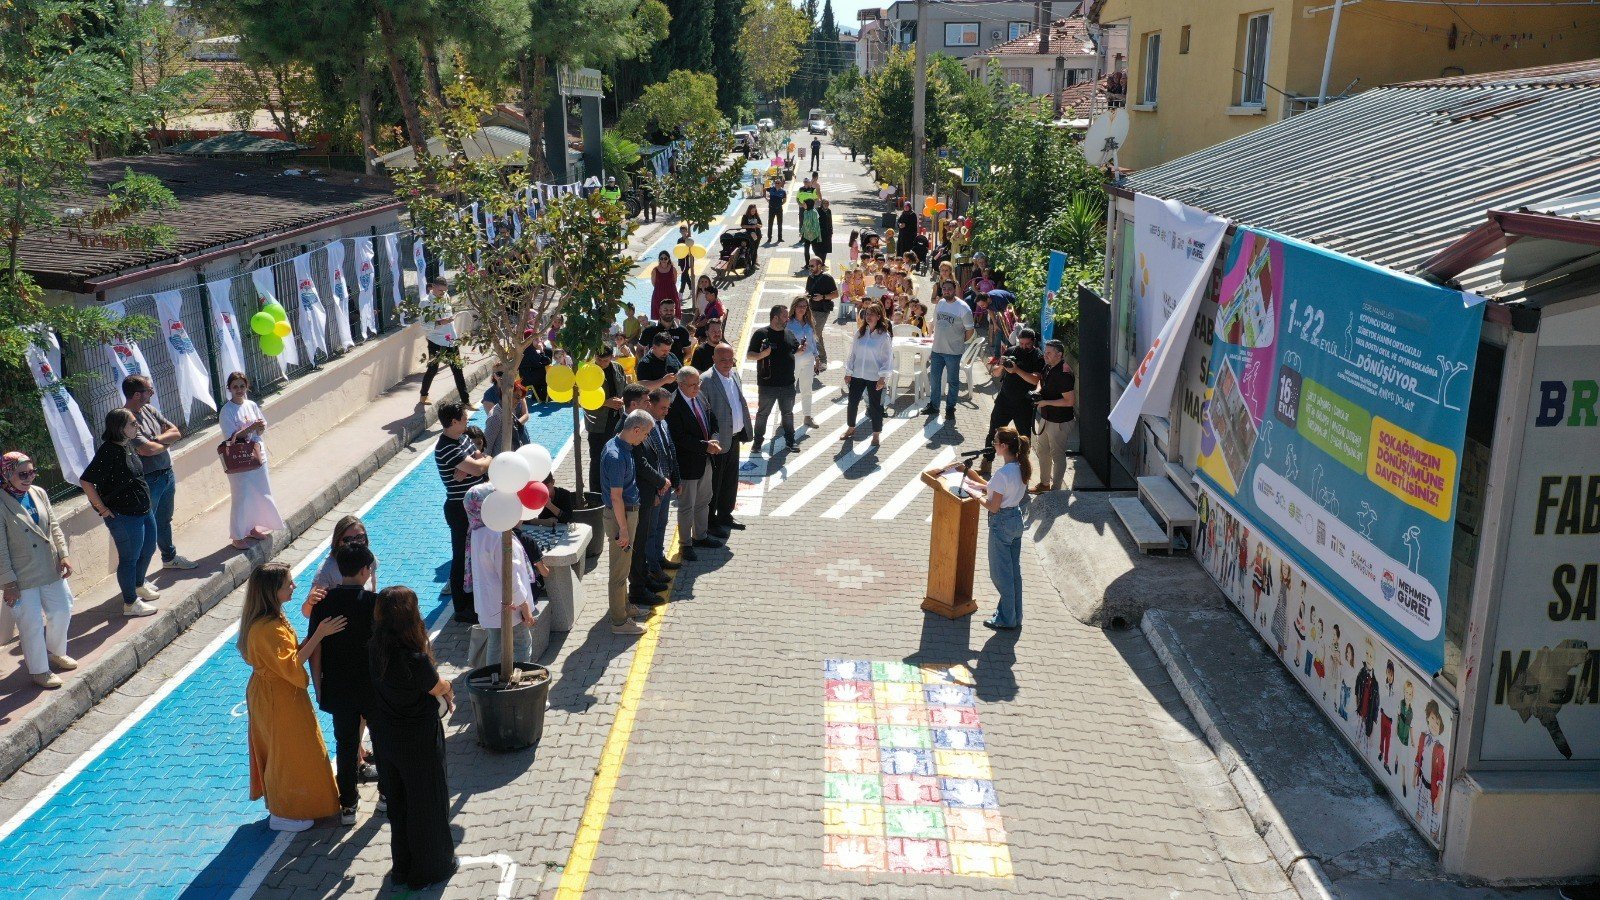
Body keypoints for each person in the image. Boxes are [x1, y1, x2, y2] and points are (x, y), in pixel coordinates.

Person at [240, 561, 343, 832]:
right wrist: (320, 633)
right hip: (277, 697)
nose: (294, 586)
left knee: (297, 750)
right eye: (289, 584)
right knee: (285, 754)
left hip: (280, 693)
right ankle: (284, 811)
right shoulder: (267, 629)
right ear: (273, 591)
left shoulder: (270, 619)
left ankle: (298, 805)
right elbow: (291, 665)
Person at [367, 586, 457, 889]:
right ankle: (431, 867)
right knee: (427, 803)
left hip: (387, 739)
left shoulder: (373, 650)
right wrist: (447, 688)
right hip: (418, 740)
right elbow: (436, 687)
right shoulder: (414, 659)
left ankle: (402, 867)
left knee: (400, 804)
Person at [306, 543, 378, 824]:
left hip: (338, 687)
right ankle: (386, 796)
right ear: (364, 571)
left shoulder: (323, 603)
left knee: (345, 745)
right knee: (381, 740)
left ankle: (348, 804)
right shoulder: (375, 603)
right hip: (372, 686)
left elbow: (315, 650)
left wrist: (319, 687)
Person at [1, 452, 76, 689]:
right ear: (6, 473)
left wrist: (63, 554)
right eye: (22, 474)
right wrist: (8, 582)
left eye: (32, 472)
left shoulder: (39, 492)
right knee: (31, 623)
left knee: (63, 608)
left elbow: (53, 525)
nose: (29, 478)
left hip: (49, 565)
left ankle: (55, 652)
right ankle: (39, 670)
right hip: (21, 576)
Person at [80, 408, 159, 617]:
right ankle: (130, 603)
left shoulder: (128, 445)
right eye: (133, 423)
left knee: (149, 547)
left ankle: (138, 585)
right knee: (129, 558)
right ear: (119, 428)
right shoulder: (108, 451)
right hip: (124, 516)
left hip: (143, 509)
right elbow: (86, 481)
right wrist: (102, 509)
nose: (138, 426)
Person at [462, 483, 543, 667]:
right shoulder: (498, 535)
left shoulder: (476, 531)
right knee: (521, 643)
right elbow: (510, 575)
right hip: (509, 605)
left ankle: (495, 682)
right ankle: (519, 687)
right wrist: (524, 605)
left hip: (490, 605)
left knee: (496, 645)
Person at [121, 375, 196, 570]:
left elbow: (176, 432)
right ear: (137, 395)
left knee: (164, 520)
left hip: (166, 473)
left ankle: (169, 558)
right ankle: (138, 576)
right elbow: (146, 450)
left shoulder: (149, 410)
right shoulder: (125, 419)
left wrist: (155, 440)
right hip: (148, 479)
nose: (152, 393)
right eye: (149, 390)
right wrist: (163, 443)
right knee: (146, 527)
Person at [959, 426, 1030, 630]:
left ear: (1004, 446)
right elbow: (998, 490)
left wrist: (975, 494)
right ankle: (1015, 616)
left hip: (1002, 524)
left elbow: (993, 506)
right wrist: (980, 483)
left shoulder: (1002, 473)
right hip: (1015, 519)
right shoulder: (1020, 467)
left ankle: (1007, 619)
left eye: (995, 442)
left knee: (1000, 575)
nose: (993, 445)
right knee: (1014, 573)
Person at [434, 401, 489, 624]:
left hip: (476, 504)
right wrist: (478, 465)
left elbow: (483, 457)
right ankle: (462, 608)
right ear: (454, 421)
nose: (468, 421)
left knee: (475, 554)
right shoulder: (447, 448)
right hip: (460, 509)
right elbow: (478, 466)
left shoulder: (463, 438)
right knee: (461, 558)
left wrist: (480, 463)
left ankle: (475, 600)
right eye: (464, 418)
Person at [219, 372, 287, 549]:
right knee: (241, 496)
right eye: (235, 387)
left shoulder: (251, 405)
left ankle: (253, 528)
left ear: (246, 387)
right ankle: (237, 535)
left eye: (242, 386)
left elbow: (260, 430)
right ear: (229, 389)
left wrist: (260, 427)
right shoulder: (227, 411)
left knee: (260, 492)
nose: (239, 390)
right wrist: (251, 428)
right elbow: (231, 437)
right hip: (239, 460)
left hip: (257, 456)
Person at [600, 411, 654, 636]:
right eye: (646, 434)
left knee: (624, 565)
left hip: (626, 513)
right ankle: (619, 622)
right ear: (636, 430)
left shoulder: (619, 445)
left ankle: (624, 607)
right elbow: (616, 497)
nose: (646, 438)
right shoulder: (616, 456)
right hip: (621, 516)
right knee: (619, 572)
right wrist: (623, 529)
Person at [666, 367, 722, 557]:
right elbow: (679, 438)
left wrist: (713, 438)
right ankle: (685, 543)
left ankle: (700, 535)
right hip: (687, 465)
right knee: (687, 506)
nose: (697, 387)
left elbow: (712, 419)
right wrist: (705, 446)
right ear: (680, 385)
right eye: (692, 385)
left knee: (704, 500)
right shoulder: (673, 405)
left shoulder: (699, 396)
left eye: (698, 383)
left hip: (705, 460)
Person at [704, 344, 751, 539]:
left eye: (730, 359)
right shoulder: (706, 380)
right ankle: (710, 521)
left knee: (730, 480)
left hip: (734, 437)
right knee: (714, 483)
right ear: (714, 359)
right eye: (722, 360)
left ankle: (725, 515)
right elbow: (704, 414)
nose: (726, 363)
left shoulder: (734, 374)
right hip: (717, 442)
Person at [984, 328, 1045, 474]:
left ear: (1034, 343)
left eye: (1027, 344)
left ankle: (1023, 471)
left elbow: (1035, 379)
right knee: (993, 432)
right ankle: (986, 464)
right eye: (1021, 343)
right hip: (1004, 400)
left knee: (1024, 438)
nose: (1023, 347)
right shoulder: (1011, 350)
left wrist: (1016, 370)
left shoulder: (1038, 356)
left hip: (1023, 405)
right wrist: (1001, 366)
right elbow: (996, 372)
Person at [747, 305, 801, 454]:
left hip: (788, 385)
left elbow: (795, 349)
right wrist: (761, 355)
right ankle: (757, 443)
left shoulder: (789, 333)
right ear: (775, 318)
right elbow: (749, 354)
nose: (787, 319)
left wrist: (802, 348)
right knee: (763, 414)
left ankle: (790, 440)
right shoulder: (761, 334)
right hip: (767, 386)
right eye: (784, 316)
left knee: (788, 414)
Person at [842, 303, 894, 448]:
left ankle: (876, 434)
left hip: (874, 377)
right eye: (867, 313)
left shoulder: (884, 336)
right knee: (852, 402)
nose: (868, 316)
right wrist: (848, 372)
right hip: (858, 375)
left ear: (879, 317)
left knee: (875, 406)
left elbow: (887, 358)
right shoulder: (860, 332)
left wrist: (883, 377)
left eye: (872, 314)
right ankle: (851, 428)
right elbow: (852, 354)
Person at [922, 281, 974, 422]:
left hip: (953, 352)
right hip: (937, 350)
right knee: (935, 380)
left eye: (949, 289)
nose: (946, 291)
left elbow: (970, 330)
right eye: (944, 289)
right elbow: (935, 323)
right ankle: (934, 405)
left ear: (954, 290)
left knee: (953, 382)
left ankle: (950, 408)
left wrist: (960, 342)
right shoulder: (940, 303)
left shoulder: (963, 308)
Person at [418, 277, 471, 408]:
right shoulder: (425, 303)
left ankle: (466, 401)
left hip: (450, 339)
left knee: (457, 369)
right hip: (436, 340)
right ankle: (423, 395)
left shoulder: (446, 296)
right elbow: (424, 325)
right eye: (441, 290)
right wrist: (441, 322)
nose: (443, 293)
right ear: (433, 287)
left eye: (445, 291)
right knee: (432, 369)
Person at [1031, 339, 1076, 493]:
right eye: (1045, 352)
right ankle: (1044, 484)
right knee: (1042, 450)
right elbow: (1042, 384)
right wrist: (1038, 392)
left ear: (1059, 354)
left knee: (1057, 455)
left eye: (1049, 353)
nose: (1045, 355)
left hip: (1059, 421)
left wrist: (1045, 402)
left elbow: (1069, 401)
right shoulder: (1049, 366)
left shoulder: (1064, 373)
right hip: (1047, 416)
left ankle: (1055, 491)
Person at [583, 347, 628, 491]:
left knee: (616, 456)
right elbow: (582, 399)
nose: (602, 363)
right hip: (597, 422)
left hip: (617, 419)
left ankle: (614, 488)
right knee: (597, 459)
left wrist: (622, 399)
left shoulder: (618, 368)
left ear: (612, 357)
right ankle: (596, 492)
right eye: (599, 360)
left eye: (606, 360)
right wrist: (605, 402)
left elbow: (624, 388)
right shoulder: (588, 371)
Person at [787, 297, 820, 429]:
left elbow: (813, 342)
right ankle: (787, 417)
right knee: (790, 390)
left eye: (805, 306)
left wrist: (817, 357)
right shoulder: (788, 323)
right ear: (794, 307)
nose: (802, 309)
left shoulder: (809, 323)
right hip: (793, 360)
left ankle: (807, 417)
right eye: (800, 306)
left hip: (808, 360)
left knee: (807, 389)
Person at [804, 257, 839, 365]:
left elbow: (836, 294)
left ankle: (822, 360)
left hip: (822, 311)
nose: (810, 268)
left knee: (816, 334)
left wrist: (822, 297)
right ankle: (815, 357)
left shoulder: (827, 278)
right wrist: (806, 295)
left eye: (812, 266)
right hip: (811, 309)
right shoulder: (810, 278)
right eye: (809, 266)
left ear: (819, 266)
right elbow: (808, 290)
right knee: (813, 334)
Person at [518, 331, 551, 403]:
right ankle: (543, 396)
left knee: (540, 371)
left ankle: (537, 394)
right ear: (529, 340)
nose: (539, 341)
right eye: (536, 340)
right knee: (545, 373)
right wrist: (542, 351)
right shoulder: (529, 351)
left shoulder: (527, 348)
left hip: (525, 376)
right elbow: (545, 362)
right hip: (527, 378)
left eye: (539, 339)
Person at [649, 250, 681, 320]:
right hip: (659, 294)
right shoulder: (655, 270)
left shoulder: (673, 269)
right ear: (659, 259)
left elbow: (674, 281)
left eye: (665, 258)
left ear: (668, 259)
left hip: (671, 293)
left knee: (672, 313)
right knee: (660, 314)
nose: (663, 260)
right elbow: (653, 283)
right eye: (661, 258)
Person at [896, 202, 919, 266]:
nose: (906, 208)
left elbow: (913, 225)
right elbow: (899, 221)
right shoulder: (903, 213)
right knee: (900, 248)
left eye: (907, 207)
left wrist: (905, 225)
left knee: (907, 249)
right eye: (905, 207)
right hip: (902, 235)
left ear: (909, 207)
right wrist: (899, 224)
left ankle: (907, 263)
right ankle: (900, 261)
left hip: (909, 236)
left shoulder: (912, 214)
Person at [818, 198, 834, 266]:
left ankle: (823, 262)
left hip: (828, 233)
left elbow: (830, 221)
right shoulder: (818, 211)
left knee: (826, 249)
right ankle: (819, 261)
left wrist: (831, 231)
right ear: (822, 204)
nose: (826, 205)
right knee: (820, 248)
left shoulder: (829, 211)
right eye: (825, 203)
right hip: (820, 232)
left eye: (827, 203)